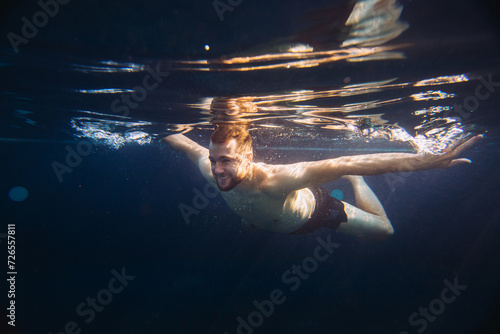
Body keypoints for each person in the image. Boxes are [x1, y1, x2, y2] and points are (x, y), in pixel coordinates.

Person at [163, 124, 481, 241]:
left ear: (247, 158)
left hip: (315, 213)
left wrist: (427, 161)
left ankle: (354, 186)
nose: (217, 170)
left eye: (227, 161)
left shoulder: (275, 180)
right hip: (263, 217)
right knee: (251, 221)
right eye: (215, 160)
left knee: (385, 231)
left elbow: (344, 163)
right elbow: (182, 142)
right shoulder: (210, 166)